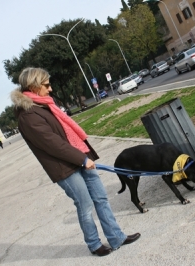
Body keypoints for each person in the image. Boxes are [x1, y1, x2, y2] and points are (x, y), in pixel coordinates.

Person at [10, 67, 140, 257]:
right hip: (64, 167)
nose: (50, 88)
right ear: (34, 86)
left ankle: (116, 236)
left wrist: (83, 157)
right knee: (85, 204)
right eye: (46, 85)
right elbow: (52, 144)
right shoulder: (28, 115)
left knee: (101, 198)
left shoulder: (44, 105)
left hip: (79, 157)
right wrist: (82, 159)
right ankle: (94, 244)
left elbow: (64, 133)